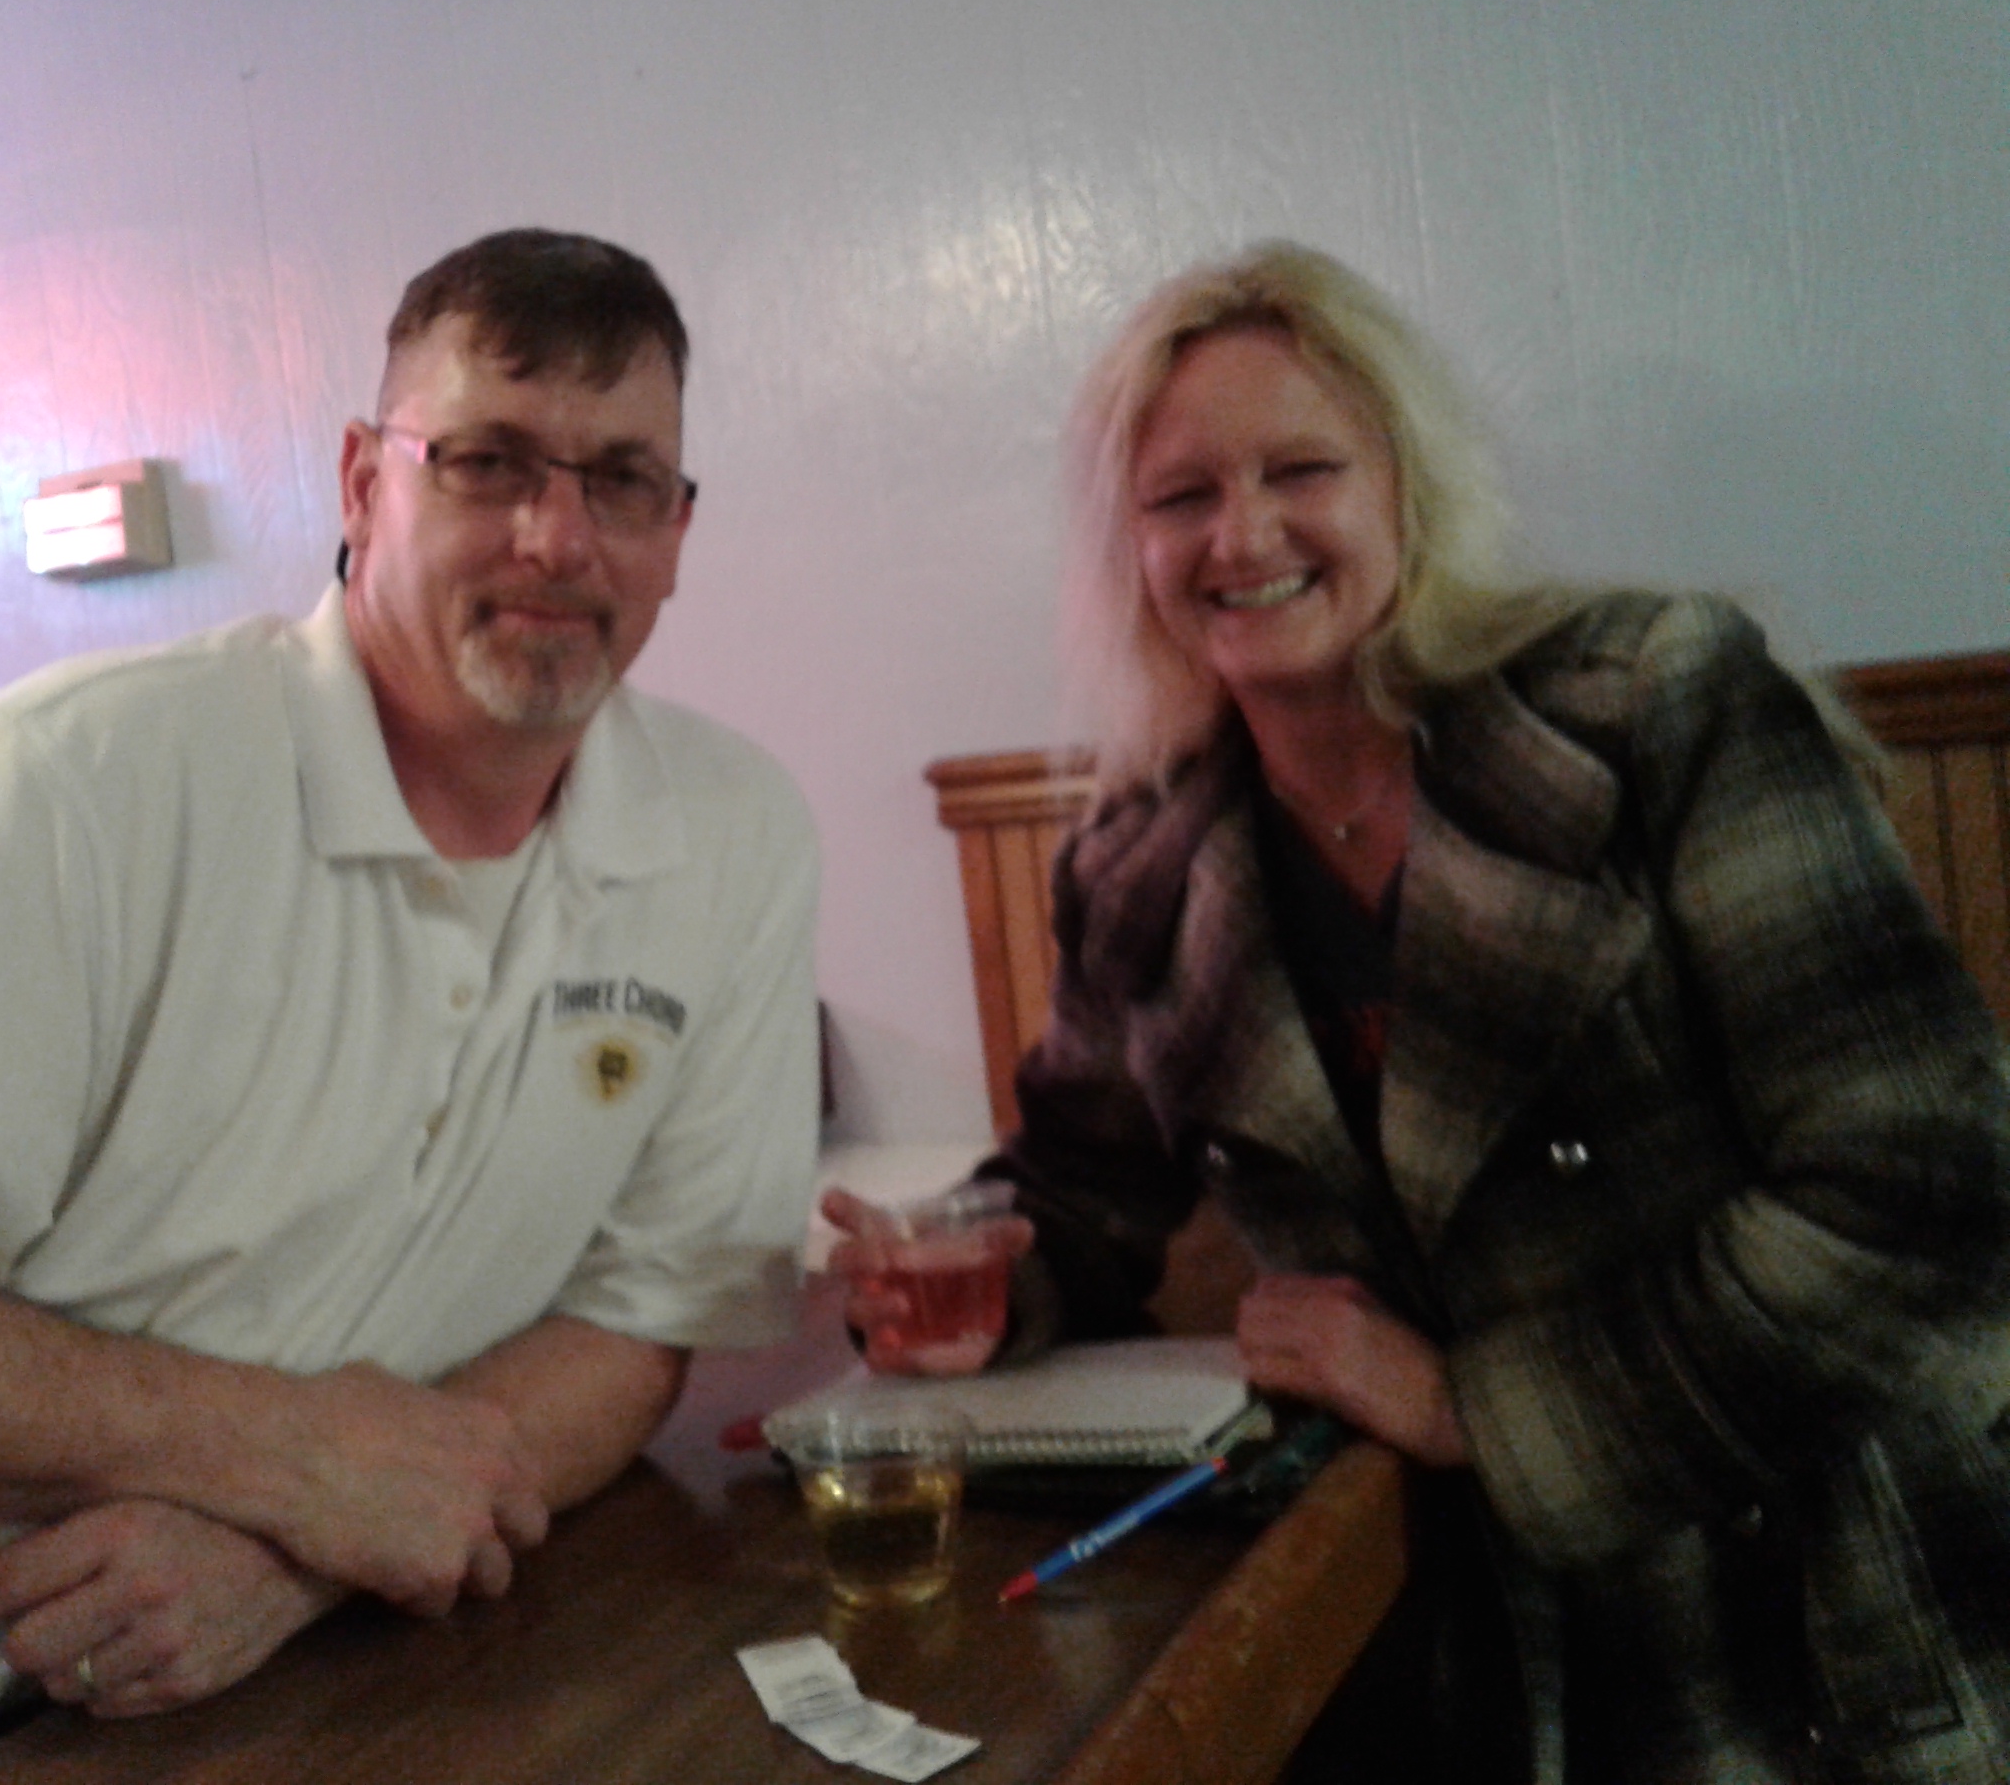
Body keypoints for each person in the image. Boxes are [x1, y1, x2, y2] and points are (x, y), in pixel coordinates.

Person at [0, 229, 823, 1785]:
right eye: (487, 462)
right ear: (362, 483)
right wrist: (283, 1459)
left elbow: (642, 1315)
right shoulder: (77, 786)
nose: (556, 537)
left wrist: (302, 1551)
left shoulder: (733, 837)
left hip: (222, 1715)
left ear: (677, 529)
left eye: (622, 481)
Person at [827, 242, 2010, 1783]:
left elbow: (1926, 1181)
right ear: (1132, 548)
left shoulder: (1657, 701)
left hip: (1830, 1612)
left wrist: (1478, 1412)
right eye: (1181, 497)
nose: (1242, 535)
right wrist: (971, 1281)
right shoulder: (1140, 862)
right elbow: (1079, 1193)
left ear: (1408, 486)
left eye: (1300, 470)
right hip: (1455, 1645)